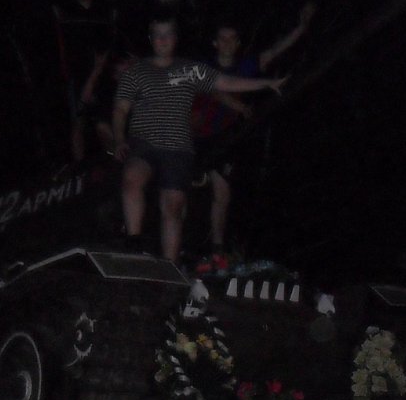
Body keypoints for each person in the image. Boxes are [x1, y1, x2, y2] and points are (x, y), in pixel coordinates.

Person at [112, 15, 288, 261]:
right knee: (132, 177)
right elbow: (120, 109)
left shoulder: (190, 69)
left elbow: (225, 82)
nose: (163, 40)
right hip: (144, 141)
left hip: (178, 147)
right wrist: (119, 139)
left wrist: (266, 83)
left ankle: (170, 265)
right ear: (151, 39)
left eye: (167, 34)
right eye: (158, 35)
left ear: (175, 38)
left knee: (173, 206)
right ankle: (133, 242)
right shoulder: (136, 71)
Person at [190, 2, 316, 252]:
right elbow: (211, 89)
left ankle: (216, 248)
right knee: (184, 189)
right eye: (222, 38)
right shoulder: (202, 65)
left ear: (238, 43)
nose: (227, 43)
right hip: (196, 135)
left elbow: (275, 50)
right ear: (215, 43)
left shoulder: (246, 66)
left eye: (232, 39)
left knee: (223, 193)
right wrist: (237, 105)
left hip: (226, 137)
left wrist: (301, 28)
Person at [53, 0, 118, 163]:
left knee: (103, 123)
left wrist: (100, 68)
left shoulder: (103, 16)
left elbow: (109, 47)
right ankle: (78, 168)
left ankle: (116, 163)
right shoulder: (66, 15)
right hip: (77, 76)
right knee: (78, 123)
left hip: (101, 77)